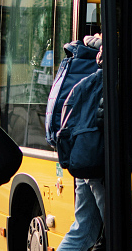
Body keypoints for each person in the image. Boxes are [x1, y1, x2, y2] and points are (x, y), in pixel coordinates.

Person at [56, 34, 106, 251]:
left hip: (84, 160)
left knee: (82, 230)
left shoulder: (84, 84)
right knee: (117, 228)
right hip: (99, 166)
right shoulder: (110, 85)